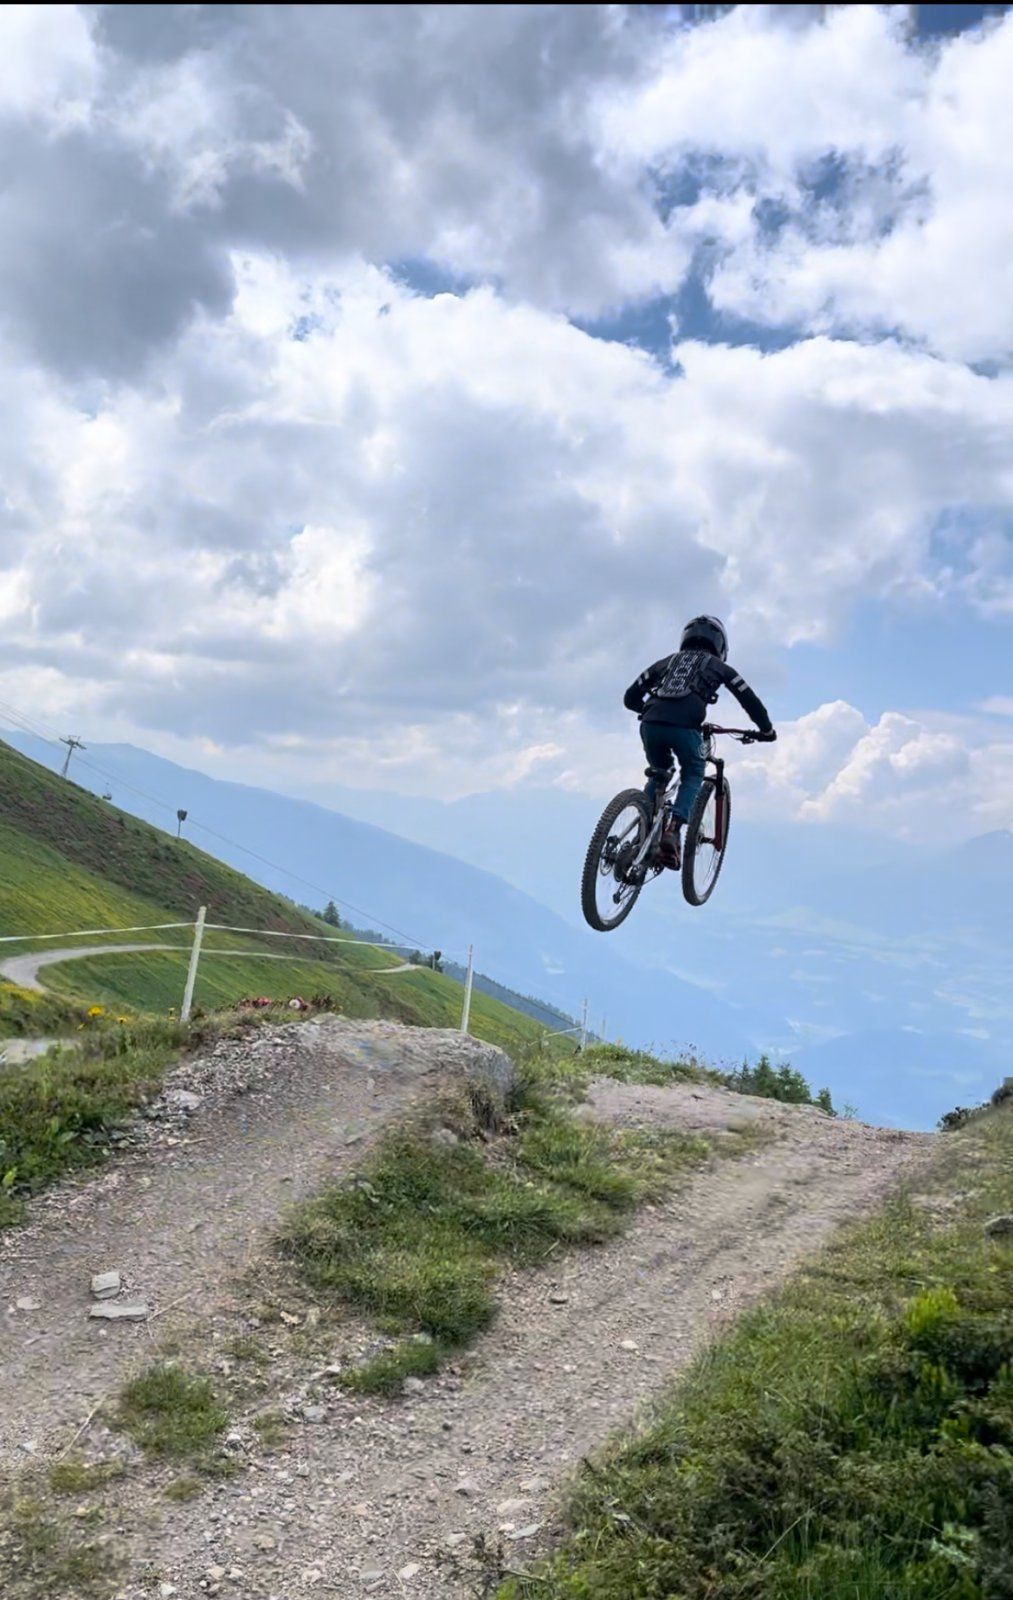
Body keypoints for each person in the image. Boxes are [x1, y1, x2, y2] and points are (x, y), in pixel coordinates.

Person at [623, 615, 775, 869]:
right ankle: (673, 829)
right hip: (684, 728)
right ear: (720, 645)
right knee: (694, 771)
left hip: (650, 725)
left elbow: (630, 698)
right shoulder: (720, 667)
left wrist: (651, 711)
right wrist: (766, 730)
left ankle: (641, 828)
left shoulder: (666, 662)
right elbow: (749, 700)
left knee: (659, 771)